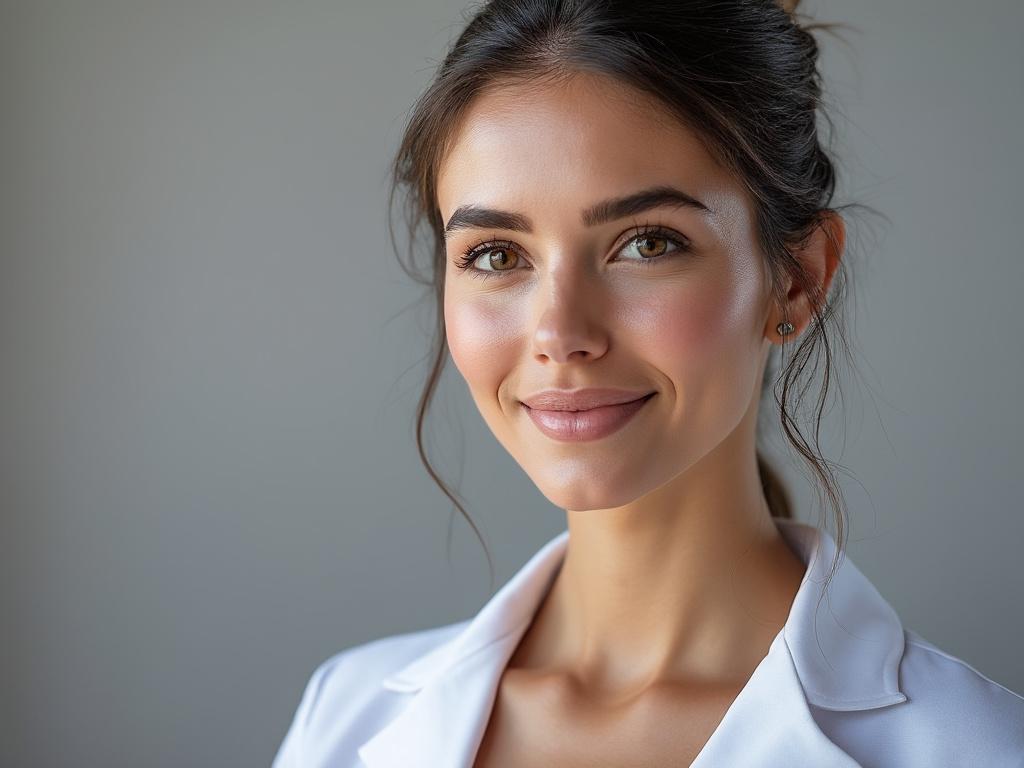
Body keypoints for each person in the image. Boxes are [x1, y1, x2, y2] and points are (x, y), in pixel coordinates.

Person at [272, 1, 1024, 765]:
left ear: (796, 279)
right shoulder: (345, 716)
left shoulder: (979, 747)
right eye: (498, 256)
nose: (560, 335)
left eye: (647, 243)